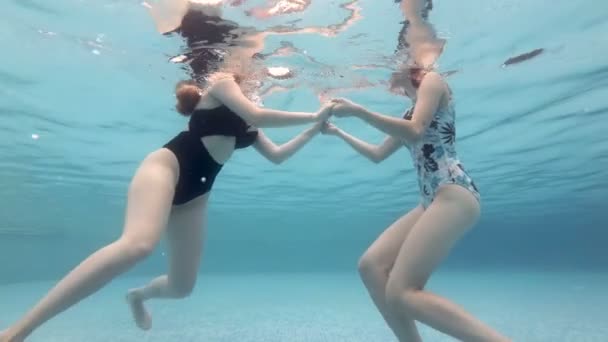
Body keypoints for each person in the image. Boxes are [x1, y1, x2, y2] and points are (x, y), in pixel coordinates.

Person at [0, 5, 334, 342]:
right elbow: (259, 116)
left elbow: (277, 156)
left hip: (195, 197)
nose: (256, 59)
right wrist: (313, 115)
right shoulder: (220, 83)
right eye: (252, 52)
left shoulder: (245, 115)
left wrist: (314, 128)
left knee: (181, 287)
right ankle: (19, 330)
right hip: (166, 168)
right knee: (138, 244)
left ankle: (137, 296)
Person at [321, 63, 510, 342]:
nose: (385, 69)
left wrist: (359, 112)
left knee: (402, 292)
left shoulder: (432, 80)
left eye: (393, 61)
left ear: (409, 63)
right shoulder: (410, 111)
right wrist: (339, 132)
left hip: (454, 191)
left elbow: (416, 130)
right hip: (431, 199)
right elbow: (377, 154)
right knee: (371, 266)